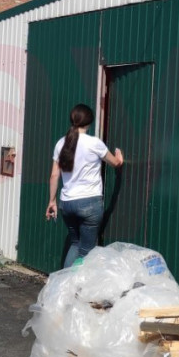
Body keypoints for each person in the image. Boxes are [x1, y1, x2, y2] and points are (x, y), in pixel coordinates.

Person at [46, 103, 123, 267]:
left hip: (67, 204)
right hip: (89, 203)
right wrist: (119, 158)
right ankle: (76, 283)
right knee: (86, 251)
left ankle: (64, 280)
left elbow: (54, 175)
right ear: (89, 122)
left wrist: (52, 201)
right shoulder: (94, 143)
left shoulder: (61, 143)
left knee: (75, 244)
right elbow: (115, 163)